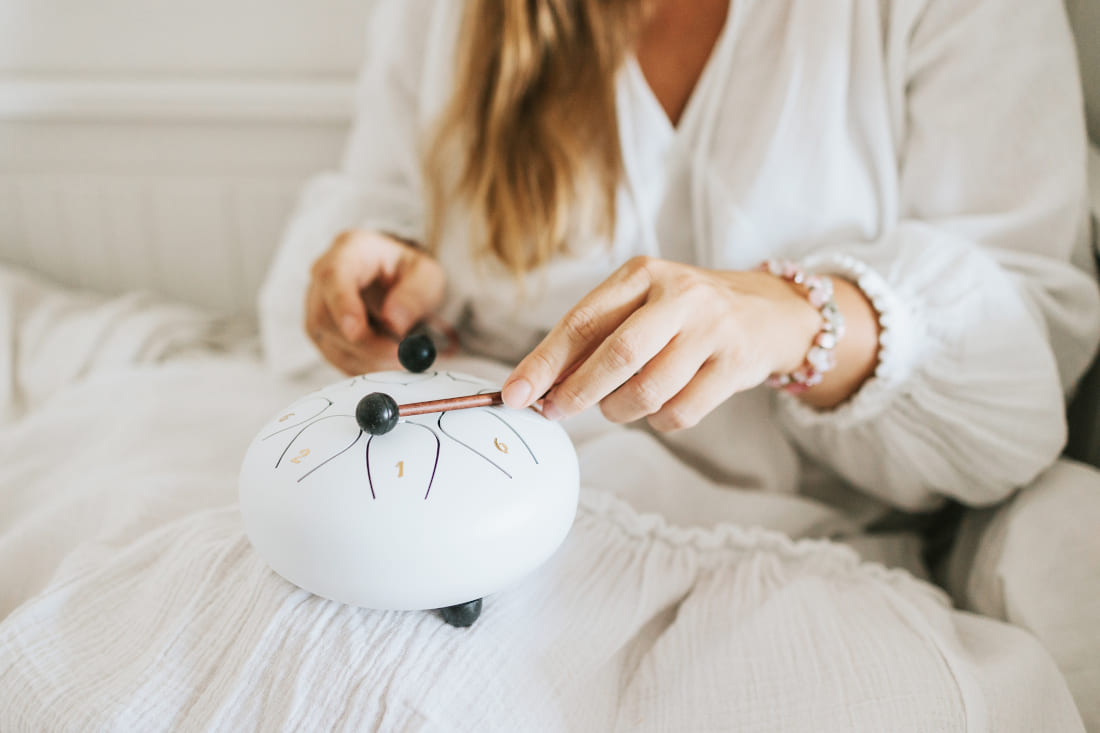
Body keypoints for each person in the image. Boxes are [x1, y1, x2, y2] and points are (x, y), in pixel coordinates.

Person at [283, 0, 1100, 725]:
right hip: (475, 522)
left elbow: (1021, 361)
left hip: (801, 556)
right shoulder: (448, 16)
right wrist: (396, 271)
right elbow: (387, 198)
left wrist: (798, 321)